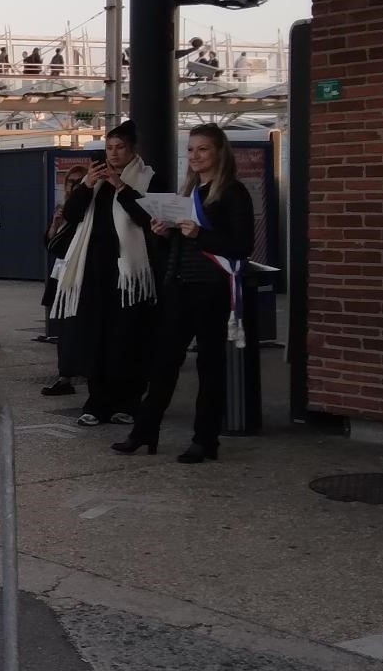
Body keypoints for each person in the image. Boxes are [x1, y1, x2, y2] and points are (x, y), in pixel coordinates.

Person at [117, 124, 255, 464]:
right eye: (191, 150)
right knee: (164, 362)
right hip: (179, 284)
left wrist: (199, 235)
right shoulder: (188, 191)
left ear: (219, 152)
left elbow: (242, 245)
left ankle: (205, 439)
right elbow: (183, 243)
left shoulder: (233, 192)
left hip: (211, 288)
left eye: (202, 149)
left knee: (210, 365)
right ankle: (145, 430)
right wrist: (164, 232)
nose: (194, 156)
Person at [52, 122, 158, 428]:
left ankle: (126, 402)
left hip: (130, 275)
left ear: (133, 150)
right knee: (95, 336)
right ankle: (96, 402)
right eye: (109, 148)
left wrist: (121, 187)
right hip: (94, 270)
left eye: (120, 147)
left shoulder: (148, 178)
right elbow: (71, 216)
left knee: (126, 338)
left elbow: (147, 217)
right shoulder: (93, 182)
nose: (113, 154)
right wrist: (87, 185)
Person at [38, 164, 88, 375]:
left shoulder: (86, 209)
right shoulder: (62, 209)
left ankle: (74, 370)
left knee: (77, 327)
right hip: (61, 271)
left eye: (79, 182)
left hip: (79, 274)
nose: (74, 186)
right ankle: (65, 373)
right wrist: (55, 225)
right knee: (62, 326)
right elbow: (50, 245)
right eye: (70, 182)